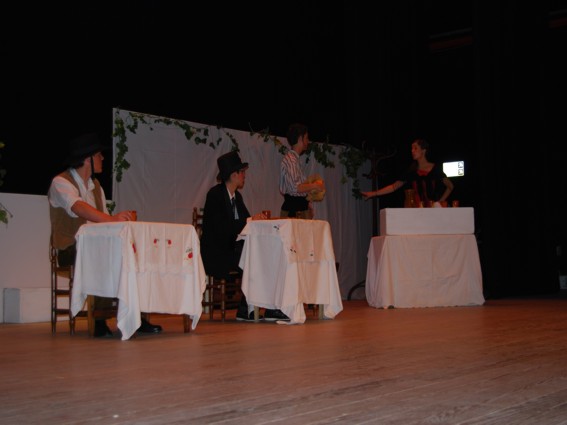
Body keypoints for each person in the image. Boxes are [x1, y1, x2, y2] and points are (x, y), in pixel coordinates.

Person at [48, 132, 163, 337]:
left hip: (95, 247)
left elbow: (105, 223)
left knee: (133, 254)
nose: (102, 158)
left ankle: (136, 316)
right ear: (88, 159)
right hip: (69, 248)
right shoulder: (61, 182)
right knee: (103, 255)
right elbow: (78, 207)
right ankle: (99, 319)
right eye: (99, 155)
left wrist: (121, 221)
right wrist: (112, 219)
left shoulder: (96, 187)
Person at [200, 150, 289, 322]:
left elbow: (246, 222)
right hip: (218, 252)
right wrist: (250, 220)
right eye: (242, 172)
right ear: (233, 175)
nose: (244, 175)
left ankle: (267, 307)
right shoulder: (215, 195)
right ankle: (247, 308)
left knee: (265, 254)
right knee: (254, 257)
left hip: (234, 249)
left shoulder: (237, 197)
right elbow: (222, 228)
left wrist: (256, 220)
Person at [362, 138, 454, 206]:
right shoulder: (412, 171)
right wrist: (372, 193)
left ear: (423, 150)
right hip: (418, 211)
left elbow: (450, 186)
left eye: (415, 148)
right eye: (411, 149)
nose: (412, 151)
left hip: (434, 211)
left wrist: (439, 202)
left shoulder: (435, 169)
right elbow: (394, 187)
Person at [279, 123, 325, 219]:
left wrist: (306, 203)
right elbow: (295, 188)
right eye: (306, 138)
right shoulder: (291, 160)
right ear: (300, 138)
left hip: (298, 209)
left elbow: (294, 188)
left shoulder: (294, 160)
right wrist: (315, 185)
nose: (308, 141)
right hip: (294, 211)